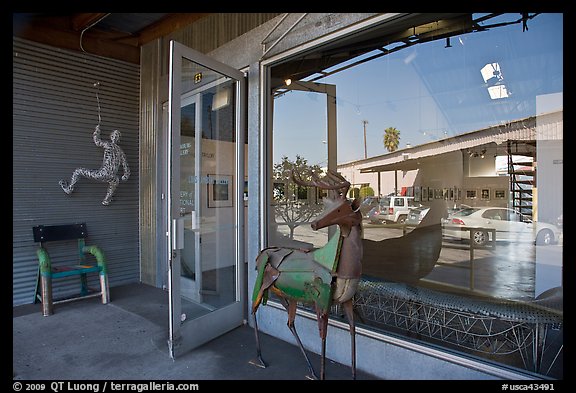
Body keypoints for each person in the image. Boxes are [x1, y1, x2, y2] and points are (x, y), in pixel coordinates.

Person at [59, 124, 130, 205]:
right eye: (115, 135)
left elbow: (97, 141)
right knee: (115, 181)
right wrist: (125, 175)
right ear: (113, 137)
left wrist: (97, 131)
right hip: (111, 176)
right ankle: (106, 200)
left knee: (78, 171)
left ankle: (69, 189)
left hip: (103, 174)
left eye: (116, 135)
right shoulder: (120, 151)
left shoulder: (109, 145)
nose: (115, 136)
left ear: (115, 138)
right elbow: (125, 165)